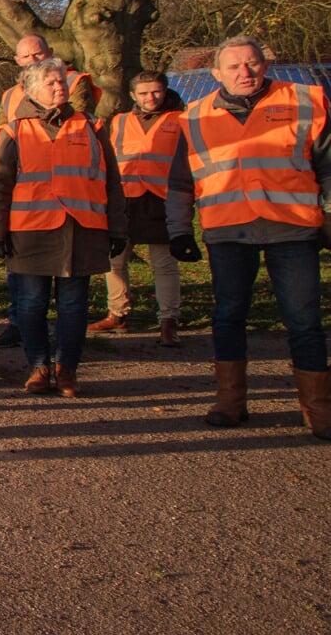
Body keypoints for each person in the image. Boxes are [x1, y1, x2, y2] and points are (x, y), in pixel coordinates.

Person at [169, 35, 331, 439]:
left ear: (265, 64)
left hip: (292, 226)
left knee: (304, 321)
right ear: (216, 73)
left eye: (253, 63)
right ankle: (230, 401)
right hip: (227, 229)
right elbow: (179, 182)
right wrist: (177, 230)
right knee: (228, 316)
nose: (245, 72)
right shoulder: (193, 116)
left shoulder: (305, 100)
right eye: (235, 66)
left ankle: (319, 409)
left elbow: (328, 167)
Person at [0, 59, 127, 397]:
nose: (59, 87)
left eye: (61, 81)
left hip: (83, 229)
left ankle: (67, 369)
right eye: (50, 83)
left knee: (74, 306)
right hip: (31, 230)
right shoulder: (15, 130)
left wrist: (118, 227)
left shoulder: (91, 126)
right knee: (31, 305)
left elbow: (112, 181)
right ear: (32, 90)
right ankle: (38, 366)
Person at [0, 34, 100, 348]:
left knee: (71, 300)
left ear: (51, 53)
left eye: (38, 54)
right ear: (18, 62)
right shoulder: (10, 95)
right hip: (28, 214)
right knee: (28, 295)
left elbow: (73, 118)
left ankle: (65, 360)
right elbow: (3, 136)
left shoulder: (74, 83)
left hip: (76, 214)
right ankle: (20, 331)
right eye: (25, 57)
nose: (33, 60)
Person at [91, 71, 189, 346]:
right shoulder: (120, 121)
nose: (151, 98)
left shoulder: (182, 119)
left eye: (156, 91)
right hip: (126, 198)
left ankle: (169, 321)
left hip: (163, 199)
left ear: (165, 91)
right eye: (144, 93)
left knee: (164, 264)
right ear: (133, 95)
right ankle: (117, 314)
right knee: (115, 261)